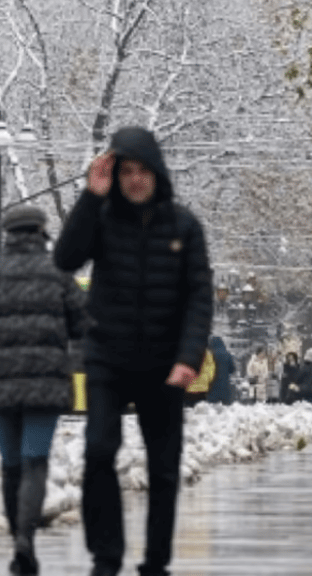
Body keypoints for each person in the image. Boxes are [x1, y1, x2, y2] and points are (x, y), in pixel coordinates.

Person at [53, 127, 213, 576]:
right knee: (100, 450)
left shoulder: (185, 226)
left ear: (157, 173)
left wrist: (188, 357)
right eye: (126, 171)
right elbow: (65, 260)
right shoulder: (101, 218)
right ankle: (106, 557)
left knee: (164, 468)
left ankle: (155, 562)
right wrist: (90, 197)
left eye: (143, 170)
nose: (135, 179)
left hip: (165, 363)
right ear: (115, 175)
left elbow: (199, 296)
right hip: (108, 357)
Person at [0, 205, 90, 575]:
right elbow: (81, 323)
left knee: (10, 463)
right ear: (41, 232)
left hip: (2, 382)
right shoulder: (59, 272)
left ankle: (17, 541)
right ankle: (26, 539)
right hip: (45, 383)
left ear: (8, 235)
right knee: (35, 460)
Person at [204, 336, 234, 406]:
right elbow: (232, 369)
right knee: (226, 410)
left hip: (212, 386)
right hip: (225, 386)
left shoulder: (209, 355)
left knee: (211, 410)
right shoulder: (227, 354)